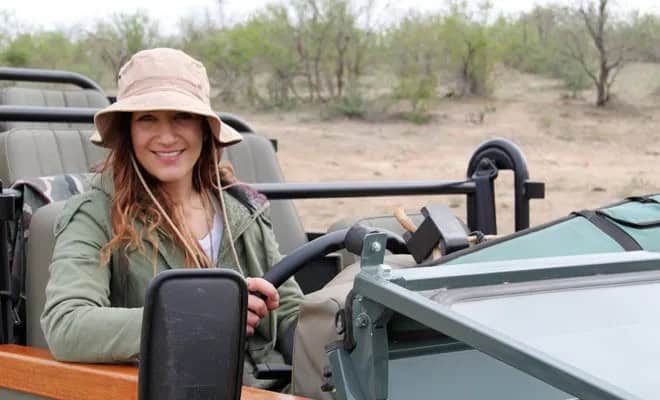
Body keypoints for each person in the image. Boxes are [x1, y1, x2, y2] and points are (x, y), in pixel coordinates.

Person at [40, 48, 303, 387]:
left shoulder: (241, 207)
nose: (166, 137)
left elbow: (291, 310)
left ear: (205, 129)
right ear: (128, 132)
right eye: (147, 118)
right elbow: (67, 325)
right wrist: (202, 317)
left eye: (182, 116)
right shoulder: (95, 214)